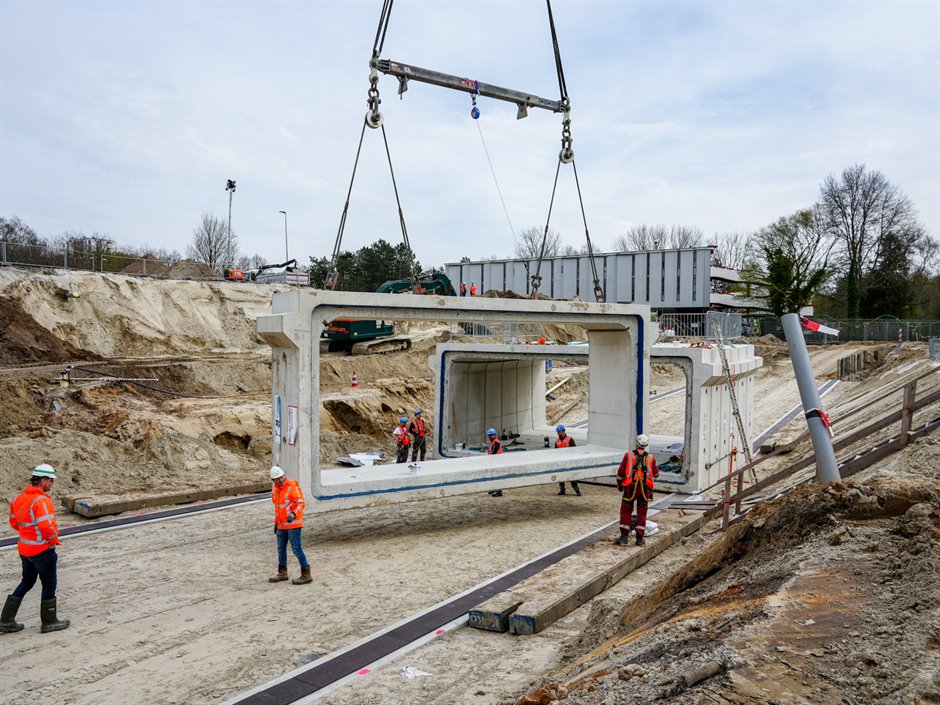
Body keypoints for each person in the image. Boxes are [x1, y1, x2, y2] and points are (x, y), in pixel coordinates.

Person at [1, 463, 69, 634]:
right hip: (42, 550)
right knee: (49, 584)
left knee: (27, 581)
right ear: (43, 481)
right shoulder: (41, 501)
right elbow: (46, 526)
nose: (52, 484)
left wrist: (29, 535)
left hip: (24, 549)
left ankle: (6, 620)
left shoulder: (18, 498)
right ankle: (49, 622)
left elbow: (14, 522)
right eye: (51, 481)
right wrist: (53, 540)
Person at [268, 466, 312, 585]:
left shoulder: (292, 486)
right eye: (278, 478)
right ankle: (282, 573)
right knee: (281, 549)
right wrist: (276, 522)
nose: (281, 480)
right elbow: (278, 508)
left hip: (293, 524)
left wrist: (294, 514)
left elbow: (301, 503)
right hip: (281, 525)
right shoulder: (276, 490)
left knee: (296, 549)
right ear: (273, 480)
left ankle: (306, 574)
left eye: (281, 477)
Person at [615, 434, 660, 546]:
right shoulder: (651, 458)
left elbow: (620, 473)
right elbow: (656, 473)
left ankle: (624, 537)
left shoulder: (628, 456)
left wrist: (619, 485)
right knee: (642, 512)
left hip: (630, 488)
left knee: (625, 511)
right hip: (645, 490)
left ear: (636, 443)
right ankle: (639, 539)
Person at [554, 425, 581, 496]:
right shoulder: (557, 441)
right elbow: (555, 452)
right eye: (557, 432)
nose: (558, 433)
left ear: (563, 431)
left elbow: (575, 450)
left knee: (573, 476)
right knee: (561, 476)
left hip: (570, 461)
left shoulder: (570, 439)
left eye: (559, 431)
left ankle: (577, 490)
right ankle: (562, 489)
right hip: (561, 461)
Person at [486, 428, 504, 497]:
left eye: (491, 435)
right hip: (495, 461)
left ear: (495, 435)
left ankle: (499, 491)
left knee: (497, 476)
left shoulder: (496, 442)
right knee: (493, 475)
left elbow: (494, 453)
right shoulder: (493, 442)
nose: (490, 437)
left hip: (498, 462)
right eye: (489, 435)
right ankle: (494, 488)